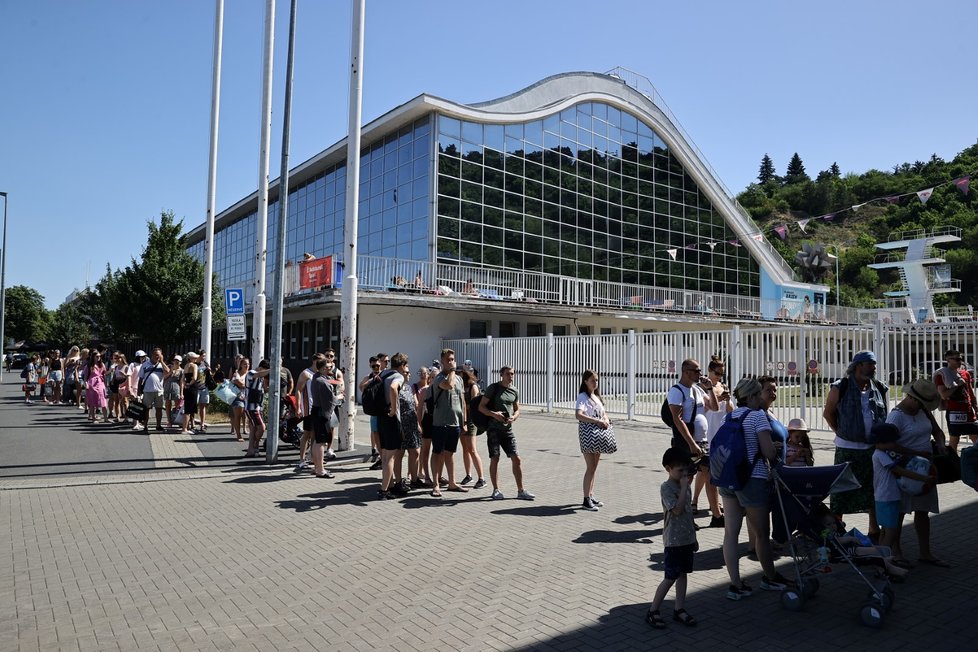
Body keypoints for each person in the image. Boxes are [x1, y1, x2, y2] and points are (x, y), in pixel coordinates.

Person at [719, 376, 792, 600]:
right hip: (753, 479)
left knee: (730, 533)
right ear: (751, 396)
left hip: (728, 478)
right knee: (761, 534)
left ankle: (735, 584)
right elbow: (768, 453)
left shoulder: (730, 415)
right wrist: (774, 446)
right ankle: (770, 577)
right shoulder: (758, 416)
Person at [823, 350, 887, 540]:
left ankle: (874, 528)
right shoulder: (840, 387)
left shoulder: (879, 387)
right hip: (847, 448)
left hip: (871, 448)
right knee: (841, 489)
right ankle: (837, 528)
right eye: (870, 363)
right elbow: (828, 413)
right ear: (858, 365)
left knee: (872, 489)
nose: (874, 367)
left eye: (874, 364)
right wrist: (841, 432)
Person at [886, 379, 951, 567]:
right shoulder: (896, 417)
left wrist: (940, 444)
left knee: (923, 511)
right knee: (899, 512)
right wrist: (914, 454)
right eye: (923, 404)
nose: (925, 408)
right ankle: (896, 552)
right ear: (912, 399)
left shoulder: (923, 411)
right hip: (905, 470)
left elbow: (937, 432)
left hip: (926, 469)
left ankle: (925, 553)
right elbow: (889, 445)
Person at [645, 448, 699, 629]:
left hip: (686, 538)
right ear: (668, 469)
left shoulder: (686, 487)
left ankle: (679, 609)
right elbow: (677, 510)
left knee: (683, 574)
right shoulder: (666, 488)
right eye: (679, 470)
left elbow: (689, 513)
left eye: (686, 470)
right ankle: (653, 610)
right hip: (673, 540)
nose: (684, 474)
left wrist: (694, 536)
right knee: (670, 577)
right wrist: (684, 488)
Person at [871, 422, 936, 568]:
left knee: (885, 531)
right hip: (888, 497)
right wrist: (924, 478)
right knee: (891, 532)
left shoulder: (882, 453)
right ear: (881, 441)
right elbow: (901, 471)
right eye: (892, 441)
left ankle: (880, 560)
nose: (895, 444)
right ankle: (885, 564)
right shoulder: (881, 455)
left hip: (884, 497)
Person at [480, 366, 534, 501]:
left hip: (507, 430)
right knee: (495, 458)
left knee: (516, 458)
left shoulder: (514, 390)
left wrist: (514, 417)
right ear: (501, 375)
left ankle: (521, 491)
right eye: (508, 374)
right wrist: (494, 414)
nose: (511, 376)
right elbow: (481, 407)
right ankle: (496, 490)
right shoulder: (493, 388)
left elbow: (517, 409)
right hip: (493, 429)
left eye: (512, 374)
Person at [429, 349, 469, 497]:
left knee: (450, 454)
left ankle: (452, 482)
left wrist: (464, 421)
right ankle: (436, 484)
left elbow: (462, 401)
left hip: (455, 423)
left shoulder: (459, 379)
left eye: (452, 359)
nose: (451, 362)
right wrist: (452, 371)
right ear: (442, 362)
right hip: (440, 422)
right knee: (437, 453)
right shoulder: (439, 378)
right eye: (448, 360)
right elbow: (449, 385)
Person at [697, 355, 731, 526]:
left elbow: (729, 410)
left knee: (709, 472)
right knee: (707, 472)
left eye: (722, 374)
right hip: (707, 433)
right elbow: (711, 407)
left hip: (720, 433)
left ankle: (712, 507)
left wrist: (727, 399)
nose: (719, 377)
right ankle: (714, 512)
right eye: (717, 373)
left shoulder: (722, 386)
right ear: (709, 371)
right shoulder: (702, 388)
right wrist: (718, 396)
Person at [576, 370, 612, 512]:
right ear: (585, 381)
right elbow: (578, 415)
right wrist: (597, 421)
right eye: (592, 380)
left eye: (596, 380)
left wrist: (606, 420)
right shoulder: (582, 397)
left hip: (598, 434)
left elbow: (603, 413)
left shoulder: (596, 396)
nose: (595, 383)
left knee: (594, 468)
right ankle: (586, 500)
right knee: (590, 467)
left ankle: (590, 495)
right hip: (588, 433)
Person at [933, 349, 978, 451]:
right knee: (954, 439)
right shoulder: (942, 375)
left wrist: (975, 407)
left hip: (968, 410)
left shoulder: (965, 374)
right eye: (957, 359)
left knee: (975, 436)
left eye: (961, 359)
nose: (960, 362)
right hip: (954, 411)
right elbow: (943, 395)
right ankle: (953, 463)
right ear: (948, 360)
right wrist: (957, 385)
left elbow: (970, 392)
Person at [376, 354, 403, 499]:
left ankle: (388, 485)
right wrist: (393, 409)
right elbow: (393, 388)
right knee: (390, 457)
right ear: (402, 365)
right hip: (391, 418)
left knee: (385, 455)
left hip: (381, 417)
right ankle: (384, 490)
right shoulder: (398, 376)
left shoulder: (382, 373)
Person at [294, 353, 327, 471]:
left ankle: (313, 457)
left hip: (318, 407)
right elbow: (298, 390)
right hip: (308, 407)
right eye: (320, 360)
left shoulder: (321, 373)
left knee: (315, 434)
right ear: (314, 361)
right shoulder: (306, 373)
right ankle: (301, 460)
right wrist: (298, 407)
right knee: (307, 433)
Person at [308, 356, 337, 479]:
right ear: (322, 368)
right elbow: (330, 400)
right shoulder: (322, 381)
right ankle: (320, 470)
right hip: (322, 412)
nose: (329, 369)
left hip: (316, 410)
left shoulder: (316, 377)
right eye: (327, 367)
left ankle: (317, 467)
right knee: (321, 442)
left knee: (316, 440)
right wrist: (339, 397)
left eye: (330, 367)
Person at [459, 369, 486, 489]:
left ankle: (482, 478)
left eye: (459, 374)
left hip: (470, 421)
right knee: (465, 449)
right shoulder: (461, 386)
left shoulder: (473, 387)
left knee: (473, 450)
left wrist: (463, 405)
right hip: (462, 420)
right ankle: (468, 475)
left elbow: (475, 406)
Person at [243, 359, 271, 458]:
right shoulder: (251, 373)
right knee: (262, 427)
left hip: (258, 406)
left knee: (254, 428)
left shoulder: (262, 379)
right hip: (251, 406)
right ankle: (255, 444)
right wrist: (273, 369)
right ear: (261, 368)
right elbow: (258, 375)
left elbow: (264, 389)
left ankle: (252, 449)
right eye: (265, 370)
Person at [137, 349, 167, 432]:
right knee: (146, 409)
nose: (157, 357)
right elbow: (141, 378)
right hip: (147, 390)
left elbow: (168, 372)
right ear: (152, 355)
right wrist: (139, 390)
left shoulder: (162, 365)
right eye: (155, 355)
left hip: (159, 390)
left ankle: (158, 425)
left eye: (159, 355)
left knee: (159, 408)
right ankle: (145, 426)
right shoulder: (145, 365)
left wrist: (162, 362)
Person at [413, 367, 434, 486]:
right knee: (421, 449)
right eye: (420, 373)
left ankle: (432, 475)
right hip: (423, 420)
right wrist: (418, 423)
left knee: (433, 451)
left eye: (424, 373)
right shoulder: (419, 389)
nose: (422, 375)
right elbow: (417, 405)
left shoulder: (437, 389)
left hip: (435, 422)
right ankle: (419, 473)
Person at [83, 350, 108, 422]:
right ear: (93, 357)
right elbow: (85, 377)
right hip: (92, 383)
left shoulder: (102, 364)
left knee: (103, 400)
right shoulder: (89, 365)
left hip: (100, 383)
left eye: (99, 356)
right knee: (92, 401)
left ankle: (105, 418)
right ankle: (93, 418)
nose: (98, 358)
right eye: (97, 356)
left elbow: (104, 374)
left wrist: (106, 385)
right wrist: (86, 384)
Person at [230, 357, 252, 442]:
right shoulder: (237, 374)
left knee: (248, 416)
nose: (247, 366)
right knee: (238, 416)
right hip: (237, 398)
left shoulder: (250, 373)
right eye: (245, 364)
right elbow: (242, 385)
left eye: (248, 364)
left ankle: (250, 432)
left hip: (248, 397)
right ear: (241, 365)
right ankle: (238, 435)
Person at [181, 352, 201, 434]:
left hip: (186, 388)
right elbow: (195, 377)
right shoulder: (194, 366)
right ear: (190, 358)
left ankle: (187, 427)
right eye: (194, 358)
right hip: (192, 388)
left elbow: (182, 379)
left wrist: (186, 384)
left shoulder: (185, 366)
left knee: (187, 407)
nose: (196, 359)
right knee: (189, 409)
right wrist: (190, 383)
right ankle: (185, 428)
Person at [163, 354, 184, 429]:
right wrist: (170, 373)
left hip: (176, 389)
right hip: (167, 388)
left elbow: (182, 383)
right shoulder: (169, 367)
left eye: (178, 361)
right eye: (175, 361)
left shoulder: (182, 371)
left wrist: (182, 393)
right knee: (167, 404)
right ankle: (169, 421)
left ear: (180, 362)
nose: (176, 362)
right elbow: (164, 377)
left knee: (177, 405)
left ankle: (176, 419)